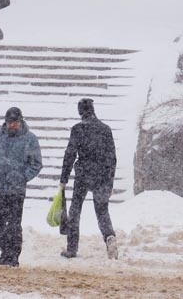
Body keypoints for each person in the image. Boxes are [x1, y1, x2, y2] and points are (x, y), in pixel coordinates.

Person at [0, 107, 43, 267]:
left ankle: (12, 257)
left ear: (20, 121)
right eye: (9, 122)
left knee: (13, 224)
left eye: (14, 122)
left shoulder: (30, 139)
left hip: (16, 190)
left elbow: (36, 164)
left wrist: (22, 177)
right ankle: (7, 251)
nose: (11, 125)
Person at [59, 98, 118, 259]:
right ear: (93, 110)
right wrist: (109, 181)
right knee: (102, 211)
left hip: (83, 175)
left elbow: (70, 154)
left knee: (75, 211)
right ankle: (109, 237)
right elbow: (112, 157)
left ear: (80, 112)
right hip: (101, 175)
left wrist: (64, 179)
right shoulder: (105, 129)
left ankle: (72, 248)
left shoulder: (78, 129)